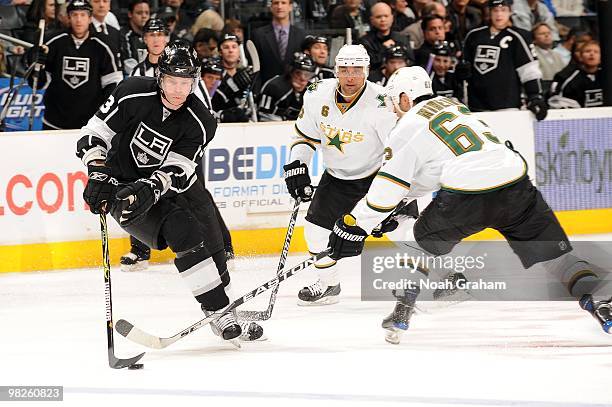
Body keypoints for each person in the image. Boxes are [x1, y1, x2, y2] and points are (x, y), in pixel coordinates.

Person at [326, 66, 612, 343]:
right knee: (557, 259)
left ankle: (403, 310)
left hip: (468, 192)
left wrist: (354, 224)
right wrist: (397, 205)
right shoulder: (455, 107)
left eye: (393, 101)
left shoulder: (408, 125)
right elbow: (430, 173)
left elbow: (387, 189)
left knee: (417, 244)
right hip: (515, 182)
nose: (393, 109)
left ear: (405, 97)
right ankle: (599, 302)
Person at [76, 41, 263, 342]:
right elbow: (94, 132)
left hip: (182, 190)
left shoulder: (201, 122)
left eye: (185, 82)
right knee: (183, 231)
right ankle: (218, 310)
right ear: (160, 77)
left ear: (195, 81)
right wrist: (97, 169)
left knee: (217, 251)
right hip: (124, 187)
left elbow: (179, 168)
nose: (178, 90)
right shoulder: (132, 92)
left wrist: (153, 185)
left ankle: (224, 310)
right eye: (172, 81)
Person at [284, 44, 398, 305]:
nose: (350, 77)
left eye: (356, 70)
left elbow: (396, 154)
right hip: (336, 178)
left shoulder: (382, 102)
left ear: (367, 71)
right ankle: (328, 285)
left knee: (405, 229)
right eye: (344, 69)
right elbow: (305, 136)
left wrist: (395, 198)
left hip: (377, 177)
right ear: (335, 70)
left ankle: (444, 275)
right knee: (314, 232)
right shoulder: (316, 94)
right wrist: (297, 167)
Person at [28, 0, 122, 130]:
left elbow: (113, 82)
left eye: (83, 15)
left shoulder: (104, 45)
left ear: (90, 18)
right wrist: (35, 63)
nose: (79, 20)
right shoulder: (54, 42)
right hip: (54, 121)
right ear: (68, 18)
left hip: (90, 124)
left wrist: (102, 114)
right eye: (74, 15)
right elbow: (39, 84)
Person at [459, 0, 547, 119]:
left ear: (510, 12)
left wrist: (535, 96)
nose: (499, 15)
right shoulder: (474, 35)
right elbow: (463, 70)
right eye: (495, 10)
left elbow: (529, 70)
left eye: (503, 10)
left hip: (507, 106)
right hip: (476, 107)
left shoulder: (518, 36)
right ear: (489, 12)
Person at [250, 0, 306, 84]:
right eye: (276, 3)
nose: (279, 7)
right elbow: (254, 67)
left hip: (293, 90)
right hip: (266, 90)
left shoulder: (301, 35)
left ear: (290, 6)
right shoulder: (258, 35)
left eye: (283, 3)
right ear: (271, 7)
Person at [257, 52, 316, 121]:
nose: (302, 79)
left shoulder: (311, 91)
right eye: (298, 73)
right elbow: (263, 117)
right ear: (290, 72)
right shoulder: (274, 87)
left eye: (307, 75)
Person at [210, 33, 254, 123]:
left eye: (234, 47)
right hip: (221, 121)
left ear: (239, 50)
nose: (230, 50)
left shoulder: (247, 73)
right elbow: (210, 97)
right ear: (220, 52)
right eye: (226, 47)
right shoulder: (214, 74)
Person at [358, 2, 413, 72]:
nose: (383, 20)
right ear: (372, 20)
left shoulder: (402, 38)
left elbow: (411, 62)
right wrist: (383, 50)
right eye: (378, 17)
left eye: (386, 16)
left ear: (392, 18)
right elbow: (368, 65)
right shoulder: (365, 42)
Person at [548, 40, 603, 108]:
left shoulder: (606, 77)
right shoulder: (567, 77)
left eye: (596, 52)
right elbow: (558, 103)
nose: (592, 54)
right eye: (588, 51)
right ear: (580, 56)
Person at [532, 22, 565, 94]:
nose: (547, 35)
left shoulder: (557, 55)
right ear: (534, 39)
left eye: (549, 33)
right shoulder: (532, 55)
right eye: (542, 34)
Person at [120, 0, 150, 75]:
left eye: (147, 13)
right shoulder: (124, 35)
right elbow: (129, 67)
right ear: (130, 14)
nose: (144, 16)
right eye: (139, 13)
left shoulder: (152, 35)